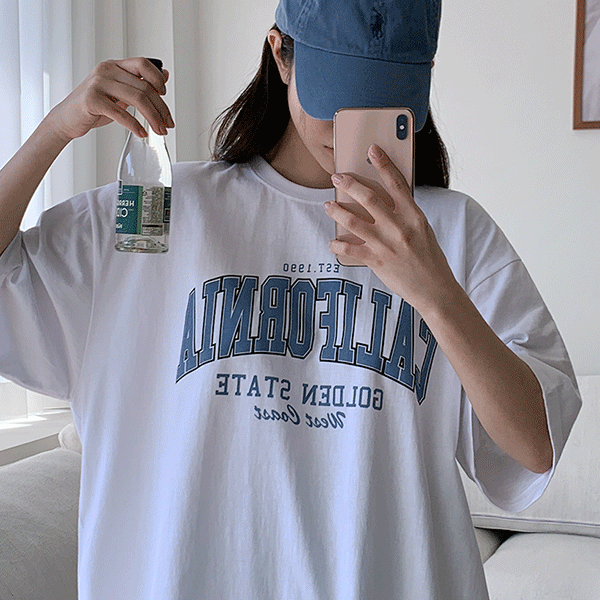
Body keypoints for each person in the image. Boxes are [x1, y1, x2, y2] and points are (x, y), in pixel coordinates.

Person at [0, 0, 582, 599]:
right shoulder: (159, 211)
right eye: (340, 94)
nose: (354, 122)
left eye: (384, 99)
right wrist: (57, 127)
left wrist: (434, 291)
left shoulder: (452, 233)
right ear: (281, 55)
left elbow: (534, 448)